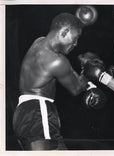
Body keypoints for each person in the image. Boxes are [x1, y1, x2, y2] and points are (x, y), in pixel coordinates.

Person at [12, 12, 99, 150]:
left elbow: (68, 72)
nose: (76, 44)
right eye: (75, 38)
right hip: (39, 113)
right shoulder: (57, 61)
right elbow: (76, 88)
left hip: (24, 111)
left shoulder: (39, 41)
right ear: (64, 32)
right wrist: (90, 70)